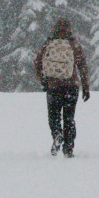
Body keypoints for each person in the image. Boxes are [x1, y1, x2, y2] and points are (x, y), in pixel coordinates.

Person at [34, 18, 89, 157]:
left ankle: (57, 134)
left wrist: (44, 81)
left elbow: (37, 63)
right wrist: (85, 86)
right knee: (69, 118)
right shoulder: (73, 44)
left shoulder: (48, 44)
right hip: (71, 87)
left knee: (54, 116)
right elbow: (82, 66)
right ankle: (68, 149)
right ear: (69, 29)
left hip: (53, 87)